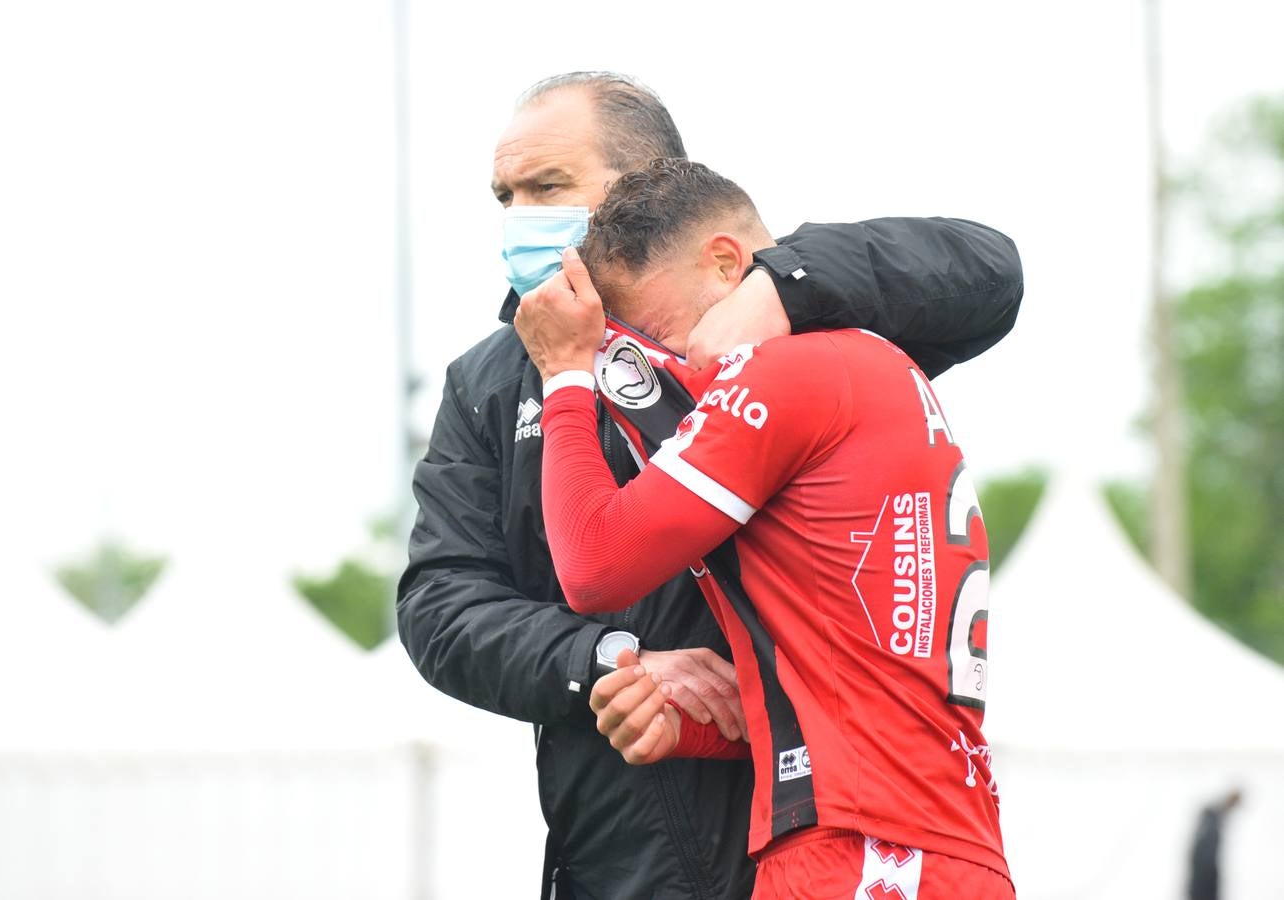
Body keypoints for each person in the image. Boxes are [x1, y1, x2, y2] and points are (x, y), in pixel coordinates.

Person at [397, 71, 1024, 900]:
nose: (521, 219)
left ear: (647, 184)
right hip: (619, 841)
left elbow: (988, 272)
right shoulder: (492, 378)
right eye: (504, 196)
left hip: (823, 823)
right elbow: (438, 604)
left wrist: (784, 281)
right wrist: (603, 659)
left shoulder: (780, 324)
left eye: (548, 188)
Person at [1187, 788, 1243, 900]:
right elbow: (1201, 855)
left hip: (1206, 876)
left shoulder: (1214, 819)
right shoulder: (1211, 820)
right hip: (1204, 879)